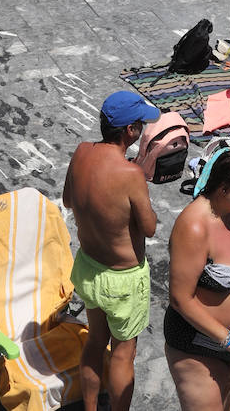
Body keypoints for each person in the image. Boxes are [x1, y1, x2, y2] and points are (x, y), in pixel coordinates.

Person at [63, 90, 160, 411]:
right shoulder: (131, 174)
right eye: (141, 125)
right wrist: (142, 176)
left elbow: (67, 199)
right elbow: (149, 227)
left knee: (94, 341)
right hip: (123, 281)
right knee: (122, 353)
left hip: (90, 267)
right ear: (130, 131)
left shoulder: (81, 152)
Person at [164, 149, 230, 411]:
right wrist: (226, 338)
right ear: (223, 189)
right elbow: (180, 298)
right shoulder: (194, 226)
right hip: (198, 344)